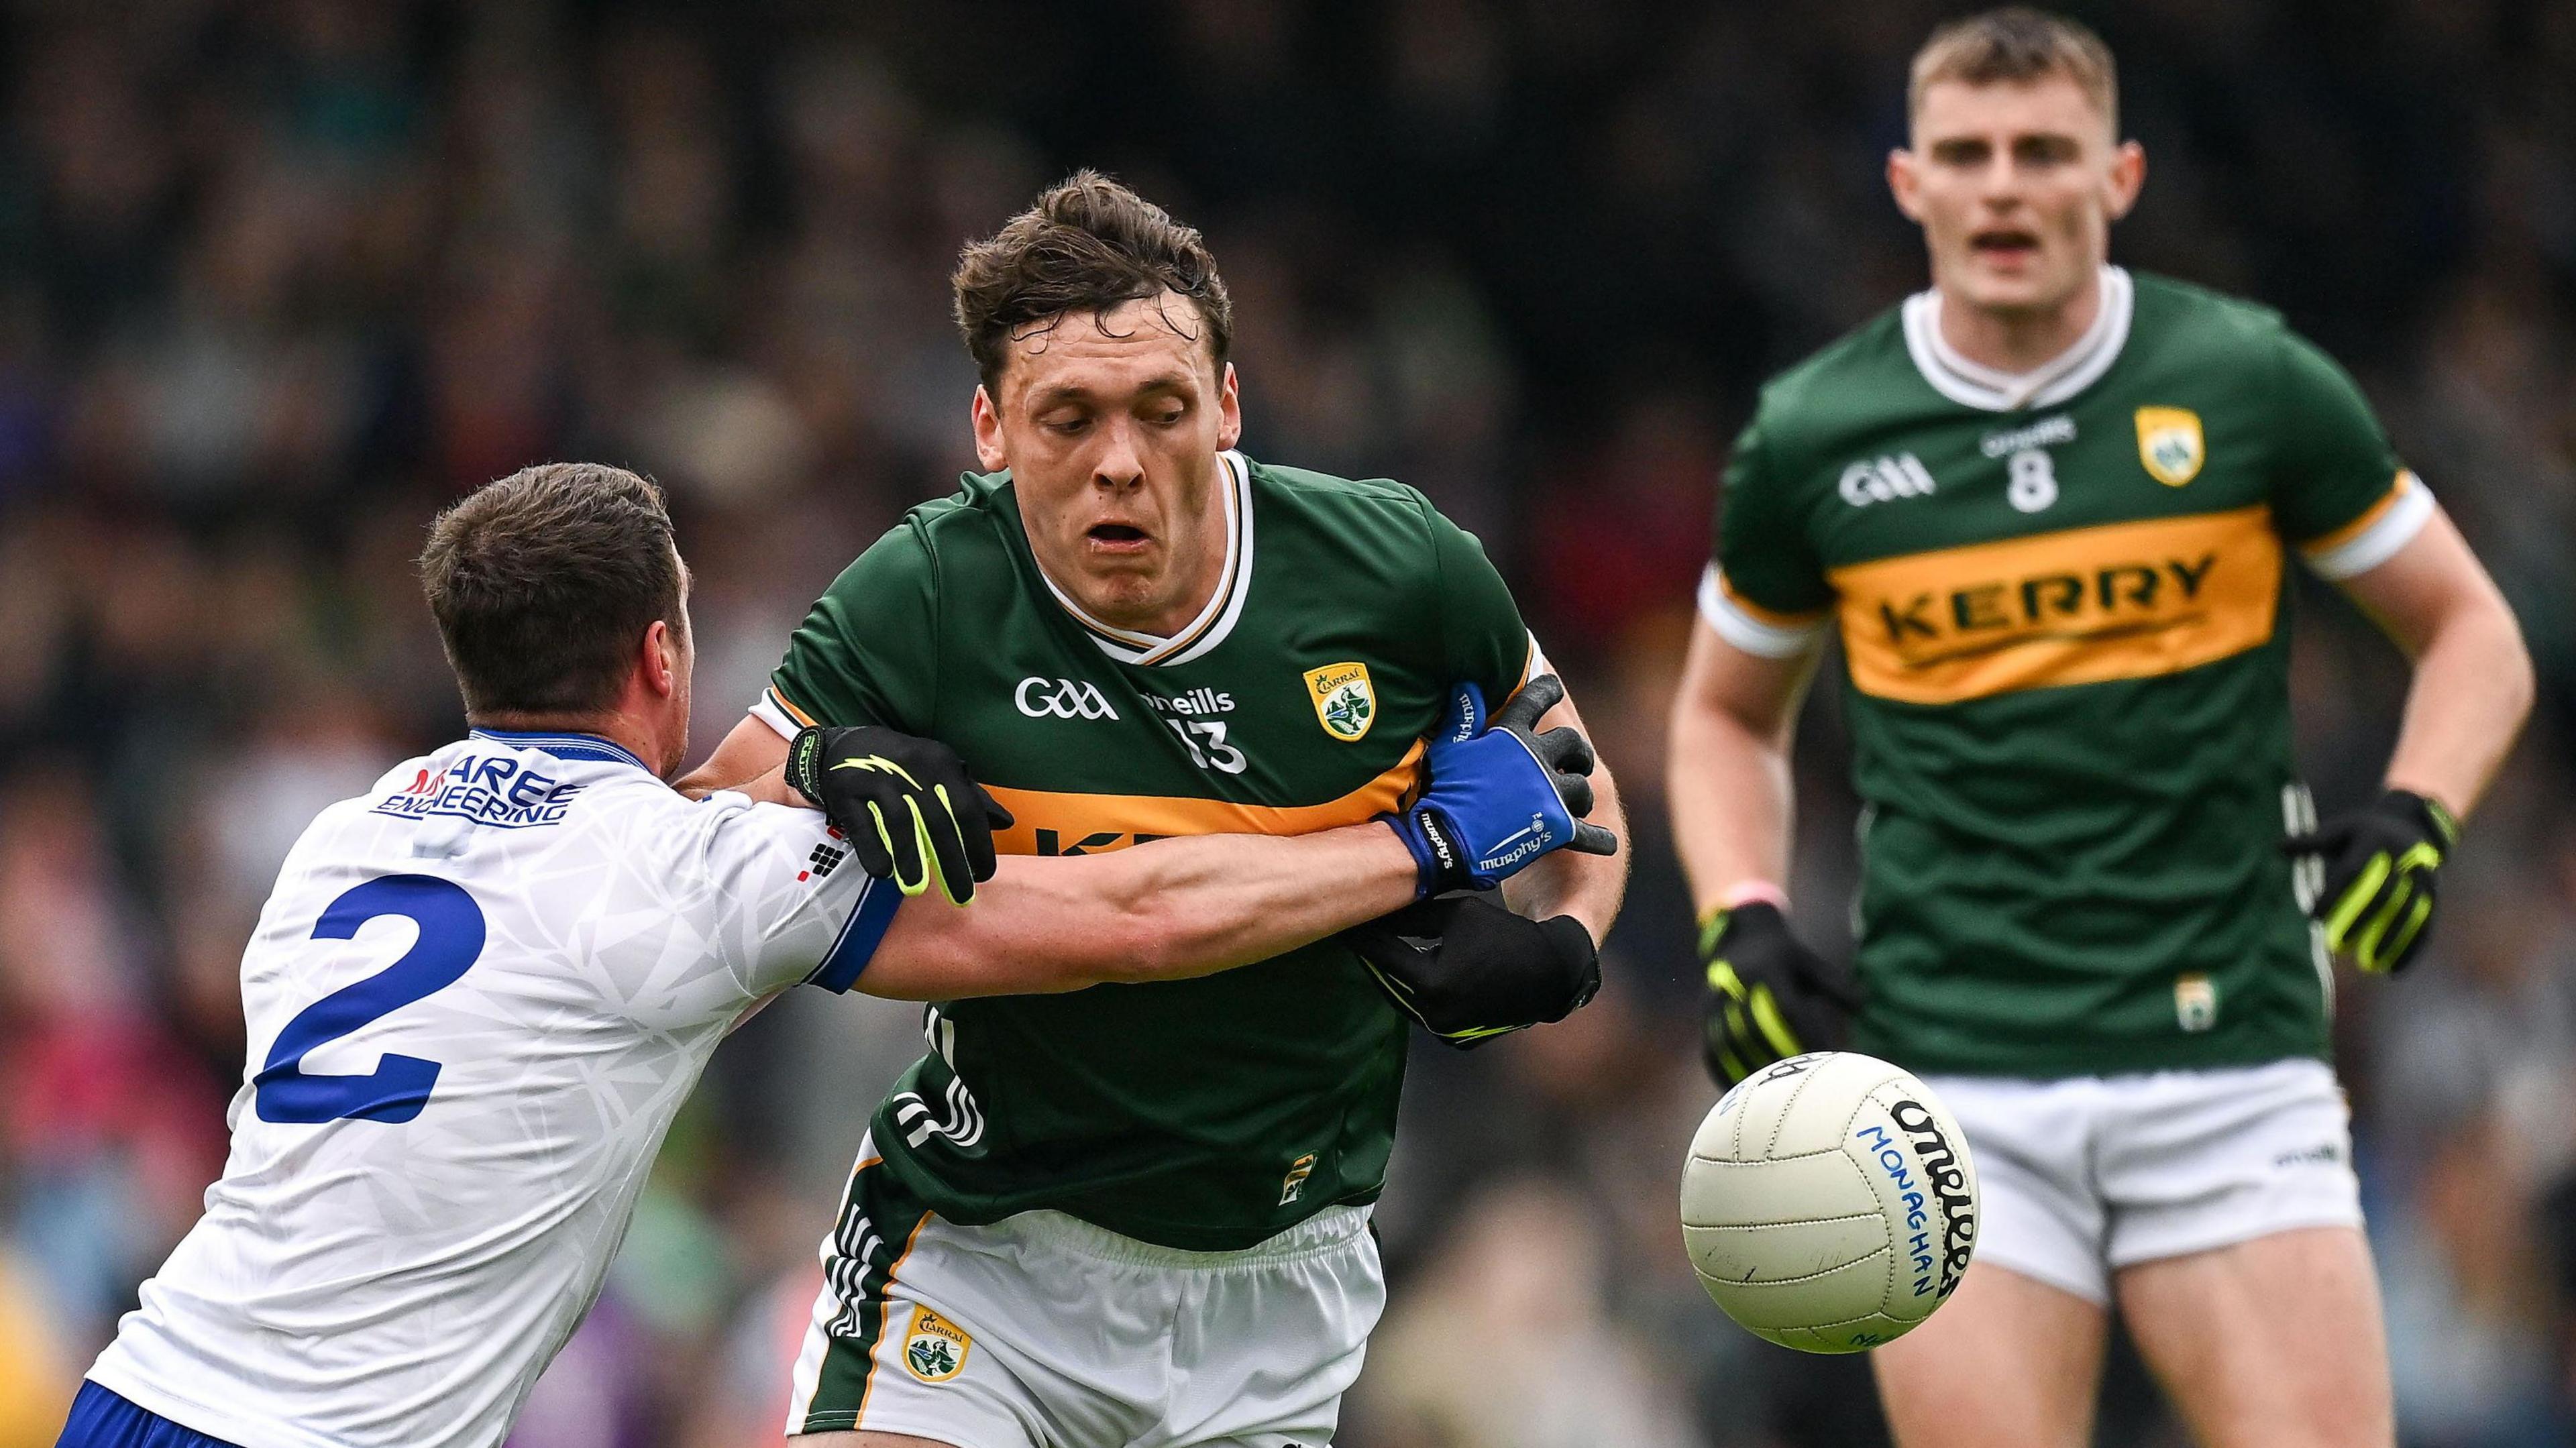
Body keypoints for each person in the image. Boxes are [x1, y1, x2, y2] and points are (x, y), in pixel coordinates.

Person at [56, 462, 1606, 1448]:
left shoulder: (341, 836)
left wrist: (809, 773)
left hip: (138, 1391)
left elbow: (557, 887)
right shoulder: (686, 874)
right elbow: (1123, 925)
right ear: (666, 655)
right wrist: (1419, 847)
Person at [1666, 11, 2534, 1448]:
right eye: (1969, 154)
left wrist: (2418, 811)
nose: (2005, 187)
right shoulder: (1815, 436)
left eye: (2044, 153)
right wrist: (1742, 916)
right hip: (1953, 1085)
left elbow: (2475, 633)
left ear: (2120, 177)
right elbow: (1720, 716)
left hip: (2231, 1066)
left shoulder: (2249, 381)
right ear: (1909, 183)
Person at [680, 172, 1631, 1447]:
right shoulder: (927, 590)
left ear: (1228, 406)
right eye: (1067, 416)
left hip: (1281, 1285)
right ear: (990, 428)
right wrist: (812, 769)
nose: (1120, 462)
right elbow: (688, 830)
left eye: (1161, 409)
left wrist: (1566, 945)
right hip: (986, 1254)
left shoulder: (1395, 567)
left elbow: (1570, 771)